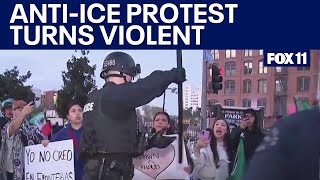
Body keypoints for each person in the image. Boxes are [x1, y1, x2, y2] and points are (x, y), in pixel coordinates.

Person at [79, 51, 186, 180]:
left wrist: (150, 143)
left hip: (97, 170)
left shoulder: (94, 98)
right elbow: (144, 88)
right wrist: (172, 75)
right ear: (123, 74)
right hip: (109, 172)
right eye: (131, 76)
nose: (131, 80)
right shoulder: (112, 96)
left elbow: (112, 140)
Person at [243, 108, 320, 180]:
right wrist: (239, 129)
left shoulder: (262, 135)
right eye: (246, 117)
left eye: (251, 116)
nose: (249, 119)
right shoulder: (296, 126)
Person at [0, 100, 45, 180]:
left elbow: (41, 140)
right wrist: (23, 113)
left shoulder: (32, 127)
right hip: (14, 173)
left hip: (31, 171)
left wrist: (45, 142)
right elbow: (12, 128)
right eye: (20, 109)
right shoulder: (8, 126)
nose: (24, 110)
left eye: (25, 108)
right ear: (13, 111)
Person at [42, 102, 85, 180]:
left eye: (80, 110)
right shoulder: (60, 135)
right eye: (73, 111)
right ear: (68, 116)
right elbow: (50, 153)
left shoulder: (91, 132)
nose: (77, 113)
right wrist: (46, 145)